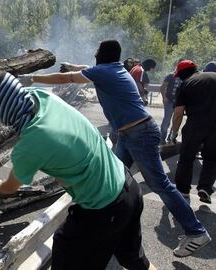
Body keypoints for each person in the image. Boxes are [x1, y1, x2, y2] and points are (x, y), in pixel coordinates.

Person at [0, 70, 156, 270]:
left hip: (105, 209)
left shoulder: (31, 143)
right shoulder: (40, 97)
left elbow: (9, 188)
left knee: (66, 251)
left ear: (0, 110)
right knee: (132, 258)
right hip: (126, 184)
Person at [18, 40, 211, 257]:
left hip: (140, 134)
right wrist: (73, 65)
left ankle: (196, 232)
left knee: (160, 184)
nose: (94, 54)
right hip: (129, 135)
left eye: (97, 51)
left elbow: (69, 79)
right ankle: (114, 231)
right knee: (116, 179)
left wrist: (29, 79)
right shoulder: (114, 67)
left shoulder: (105, 71)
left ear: (102, 55)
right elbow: (81, 70)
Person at [171, 60, 216, 204]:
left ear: (183, 73)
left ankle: (183, 190)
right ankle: (205, 188)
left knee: (186, 158)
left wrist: (174, 133)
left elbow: (178, 113)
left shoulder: (186, 84)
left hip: (195, 125)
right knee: (212, 159)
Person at [159, 59, 183, 144]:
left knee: (176, 120)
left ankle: (171, 137)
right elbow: (163, 87)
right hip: (169, 101)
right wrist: (164, 97)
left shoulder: (185, 77)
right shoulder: (170, 76)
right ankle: (162, 137)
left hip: (179, 103)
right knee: (167, 120)